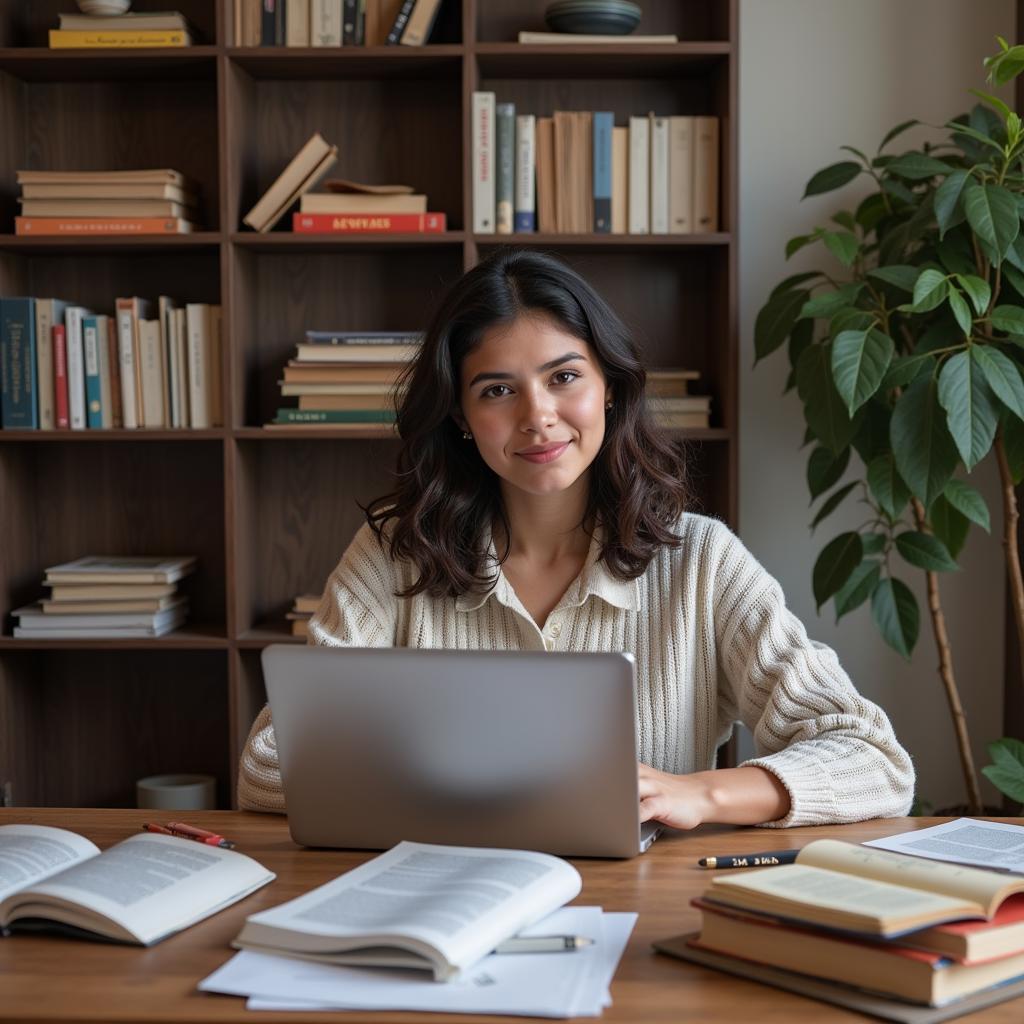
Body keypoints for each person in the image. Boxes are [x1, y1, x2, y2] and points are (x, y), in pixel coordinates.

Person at [239, 248, 914, 827]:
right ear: (461, 417)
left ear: (610, 389)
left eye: (564, 378)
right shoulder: (394, 556)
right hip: (443, 894)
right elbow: (266, 765)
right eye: (498, 390)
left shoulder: (702, 561)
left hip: (644, 919)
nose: (538, 418)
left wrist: (697, 794)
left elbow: (874, 761)